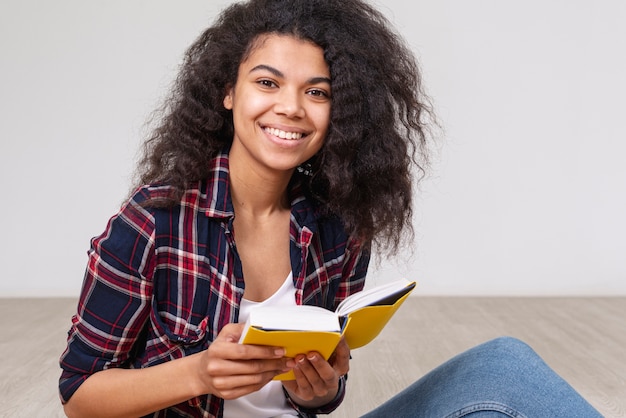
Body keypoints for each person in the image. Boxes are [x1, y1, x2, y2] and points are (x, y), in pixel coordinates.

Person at [59, 0, 602, 417]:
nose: (291, 107)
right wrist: (199, 373)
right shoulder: (154, 220)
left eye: (316, 92)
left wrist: (320, 392)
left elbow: (322, 393)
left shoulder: (336, 225)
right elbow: (78, 397)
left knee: (501, 364)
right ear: (228, 92)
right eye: (267, 82)